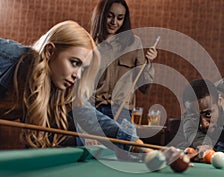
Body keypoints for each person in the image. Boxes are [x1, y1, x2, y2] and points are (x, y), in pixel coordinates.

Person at [0, 20, 142, 153]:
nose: (78, 75)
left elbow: (90, 117)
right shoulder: (6, 57)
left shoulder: (59, 88)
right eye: (75, 63)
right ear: (50, 52)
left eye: (83, 68)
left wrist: (137, 145)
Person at [90, 0, 158, 123]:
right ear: (101, 15)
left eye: (120, 18)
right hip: (95, 109)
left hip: (122, 111)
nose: (114, 22)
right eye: (109, 16)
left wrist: (149, 63)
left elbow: (144, 87)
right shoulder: (90, 44)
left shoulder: (133, 43)